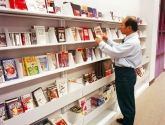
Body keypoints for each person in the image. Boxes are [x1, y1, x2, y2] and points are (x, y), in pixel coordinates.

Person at [95, 16, 142, 125]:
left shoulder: (132, 42)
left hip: (125, 74)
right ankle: (127, 119)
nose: (120, 27)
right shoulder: (130, 39)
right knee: (124, 98)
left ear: (129, 27)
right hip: (124, 73)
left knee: (126, 100)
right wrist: (108, 40)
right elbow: (119, 48)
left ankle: (128, 122)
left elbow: (115, 52)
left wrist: (101, 43)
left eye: (122, 25)